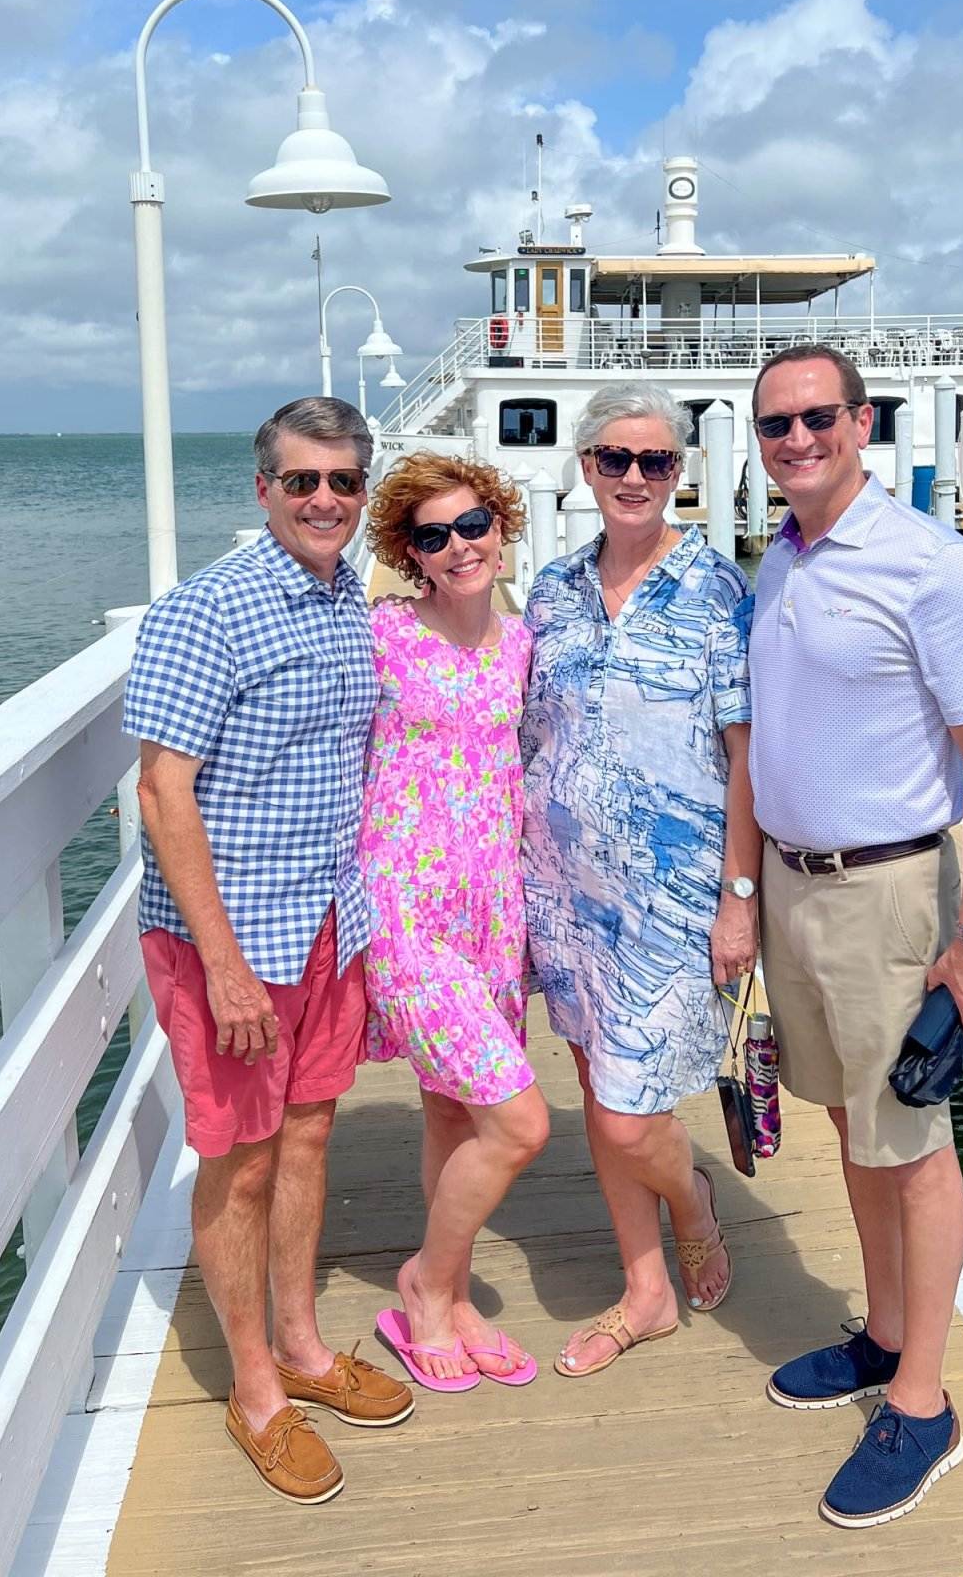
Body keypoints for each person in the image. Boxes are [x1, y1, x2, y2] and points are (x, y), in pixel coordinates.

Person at [747, 345, 963, 1530]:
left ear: (861, 422)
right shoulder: (778, 557)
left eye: (817, 416)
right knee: (851, 1123)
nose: (796, 437)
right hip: (792, 885)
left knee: (912, 1139)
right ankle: (885, 1330)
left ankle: (925, 1402)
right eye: (775, 423)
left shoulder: (932, 565)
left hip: (893, 891)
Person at [124, 397, 412, 1510]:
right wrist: (226, 962)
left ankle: (300, 1340)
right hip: (230, 936)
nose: (325, 499)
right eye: (303, 481)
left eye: (343, 480)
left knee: (307, 1134)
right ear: (263, 489)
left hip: (327, 918)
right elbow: (164, 792)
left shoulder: (347, 599)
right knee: (240, 1159)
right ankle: (256, 1390)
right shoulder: (208, 612)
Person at [521, 381, 760, 1377]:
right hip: (564, 892)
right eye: (614, 458)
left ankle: (694, 1204)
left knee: (627, 1110)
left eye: (654, 461)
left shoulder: (715, 588)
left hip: (676, 891)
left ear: (679, 472)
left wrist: (740, 897)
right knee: (593, 1084)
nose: (633, 477)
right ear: (585, 466)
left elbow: (750, 755)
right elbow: (526, 733)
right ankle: (646, 1288)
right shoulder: (550, 588)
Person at [359, 453, 549, 1390]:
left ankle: (456, 1294)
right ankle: (427, 1286)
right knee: (518, 1123)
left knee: (451, 1106)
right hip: (406, 908)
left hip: (492, 909)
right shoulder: (383, 634)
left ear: (499, 529)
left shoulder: (522, 643)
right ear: (411, 555)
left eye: (472, 525)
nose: (458, 546)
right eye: (432, 536)